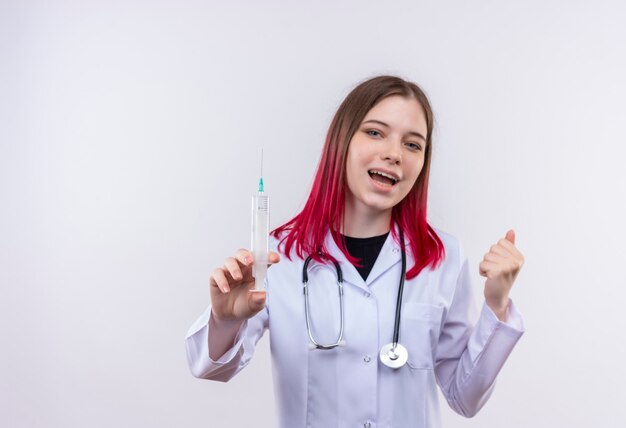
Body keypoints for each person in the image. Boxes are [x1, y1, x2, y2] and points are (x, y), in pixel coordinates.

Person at [185, 75, 525, 428]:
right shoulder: (277, 255)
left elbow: (465, 397)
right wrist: (225, 320)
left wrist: (496, 305)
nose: (394, 154)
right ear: (341, 141)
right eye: (375, 132)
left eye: (413, 145)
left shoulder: (443, 257)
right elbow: (210, 367)